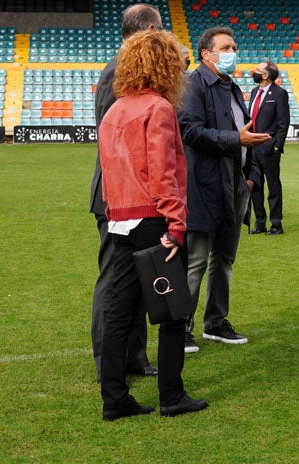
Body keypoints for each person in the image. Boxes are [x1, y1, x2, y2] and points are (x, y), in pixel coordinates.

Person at [98, 29, 207, 420]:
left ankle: (114, 398)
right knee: (174, 313)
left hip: (120, 221)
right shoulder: (157, 108)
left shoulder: (116, 109)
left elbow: (111, 172)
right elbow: (164, 173)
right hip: (153, 220)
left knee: (119, 313)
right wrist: (176, 224)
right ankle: (172, 396)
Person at [178, 26, 271, 353]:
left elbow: (247, 132)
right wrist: (236, 141)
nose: (234, 52)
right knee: (197, 260)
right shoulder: (193, 85)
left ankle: (216, 322)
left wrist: (251, 176)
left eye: (234, 46)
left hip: (235, 185)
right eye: (227, 47)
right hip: (203, 186)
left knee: (225, 259)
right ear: (206, 54)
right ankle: (182, 328)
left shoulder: (232, 88)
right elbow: (189, 131)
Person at [89, 3, 162, 381]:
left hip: (135, 193)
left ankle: (133, 357)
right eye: (160, 31)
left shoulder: (128, 68)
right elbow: (115, 138)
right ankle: (109, 361)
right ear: (149, 28)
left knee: (136, 279)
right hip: (119, 194)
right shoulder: (119, 70)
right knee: (115, 281)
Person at [247, 60, 290, 235]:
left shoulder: (279, 93)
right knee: (255, 186)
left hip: (269, 148)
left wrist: (276, 147)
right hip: (252, 147)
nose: (254, 72)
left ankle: (276, 224)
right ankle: (259, 223)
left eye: (257, 70)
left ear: (265, 75)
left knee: (273, 186)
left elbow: (283, 122)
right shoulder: (254, 91)